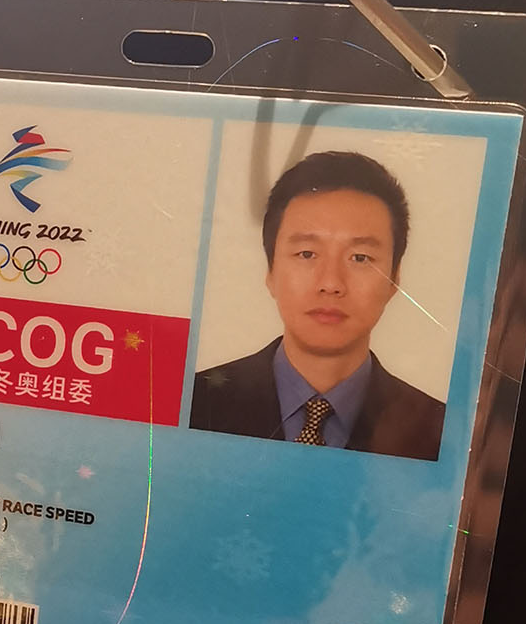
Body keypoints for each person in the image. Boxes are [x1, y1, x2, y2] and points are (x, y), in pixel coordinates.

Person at [189, 151, 445, 461]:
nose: (331, 283)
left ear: (394, 279)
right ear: (270, 271)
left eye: (360, 258)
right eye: (307, 254)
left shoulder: (441, 435)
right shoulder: (191, 406)